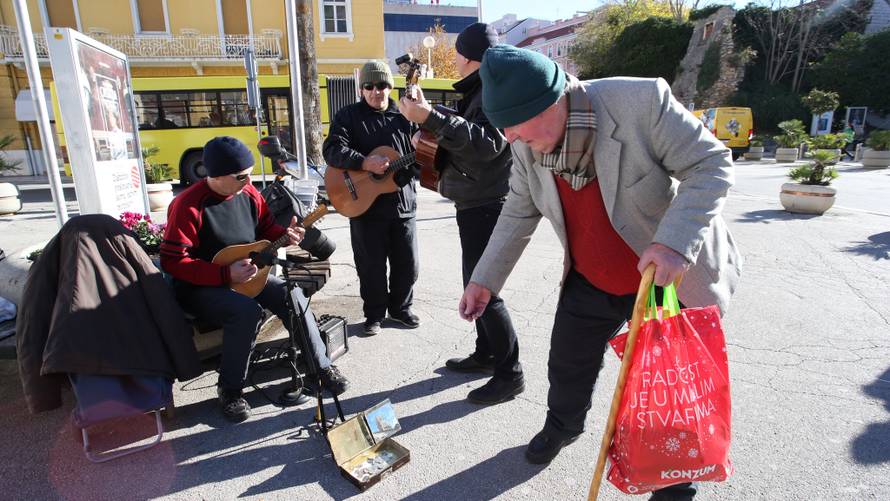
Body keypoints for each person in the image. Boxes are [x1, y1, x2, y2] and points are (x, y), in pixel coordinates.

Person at [458, 45, 742, 499]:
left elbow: (710, 164)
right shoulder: (531, 144)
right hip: (592, 276)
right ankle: (563, 426)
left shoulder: (642, 103)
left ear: (554, 101)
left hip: (664, 280)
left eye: (516, 125)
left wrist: (673, 243)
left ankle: (672, 483)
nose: (510, 137)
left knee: (665, 392)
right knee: (566, 365)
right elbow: (517, 210)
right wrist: (483, 281)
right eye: (504, 127)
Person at [161, 136, 349, 423]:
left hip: (248, 276)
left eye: (249, 173)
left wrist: (288, 235)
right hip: (200, 287)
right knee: (245, 311)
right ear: (217, 175)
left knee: (291, 294)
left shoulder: (248, 192)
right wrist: (224, 273)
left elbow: (268, 228)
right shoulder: (188, 205)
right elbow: (173, 261)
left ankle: (319, 368)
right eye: (241, 176)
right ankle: (231, 389)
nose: (249, 180)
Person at [398, 23, 523, 404]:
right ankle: (487, 353)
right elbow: (470, 134)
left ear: (469, 58)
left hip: (488, 203)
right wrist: (429, 121)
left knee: (484, 289)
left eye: (456, 54)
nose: (452, 60)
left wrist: (431, 120)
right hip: (477, 201)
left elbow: (487, 145)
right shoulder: (483, 89)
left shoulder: (493, 91)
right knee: (477, 282)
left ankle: (510, 374)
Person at [322, 61, 421, 336]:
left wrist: (415, 164)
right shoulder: (348, 116)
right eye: (370, 86)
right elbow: (331, 150)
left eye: (382, 85)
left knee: (407, 264)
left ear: (391, 87)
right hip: (363, 206)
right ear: (361, 88)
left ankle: (400, 310)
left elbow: (420, 160)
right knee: (371, 266)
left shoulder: (406, 116)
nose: (376, 91)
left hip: (402, 205)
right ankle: (374, 314)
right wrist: (364, 163)